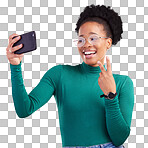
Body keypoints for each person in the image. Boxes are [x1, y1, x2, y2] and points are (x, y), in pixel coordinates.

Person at [6, 4, 134, 148]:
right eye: (81, 39)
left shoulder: (123, 83)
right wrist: (15, 65)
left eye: (93, 38)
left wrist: (111, 96)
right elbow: (24, 109)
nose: (86, 45)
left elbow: (119, 139)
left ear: (108, 42)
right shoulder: (59, 75)